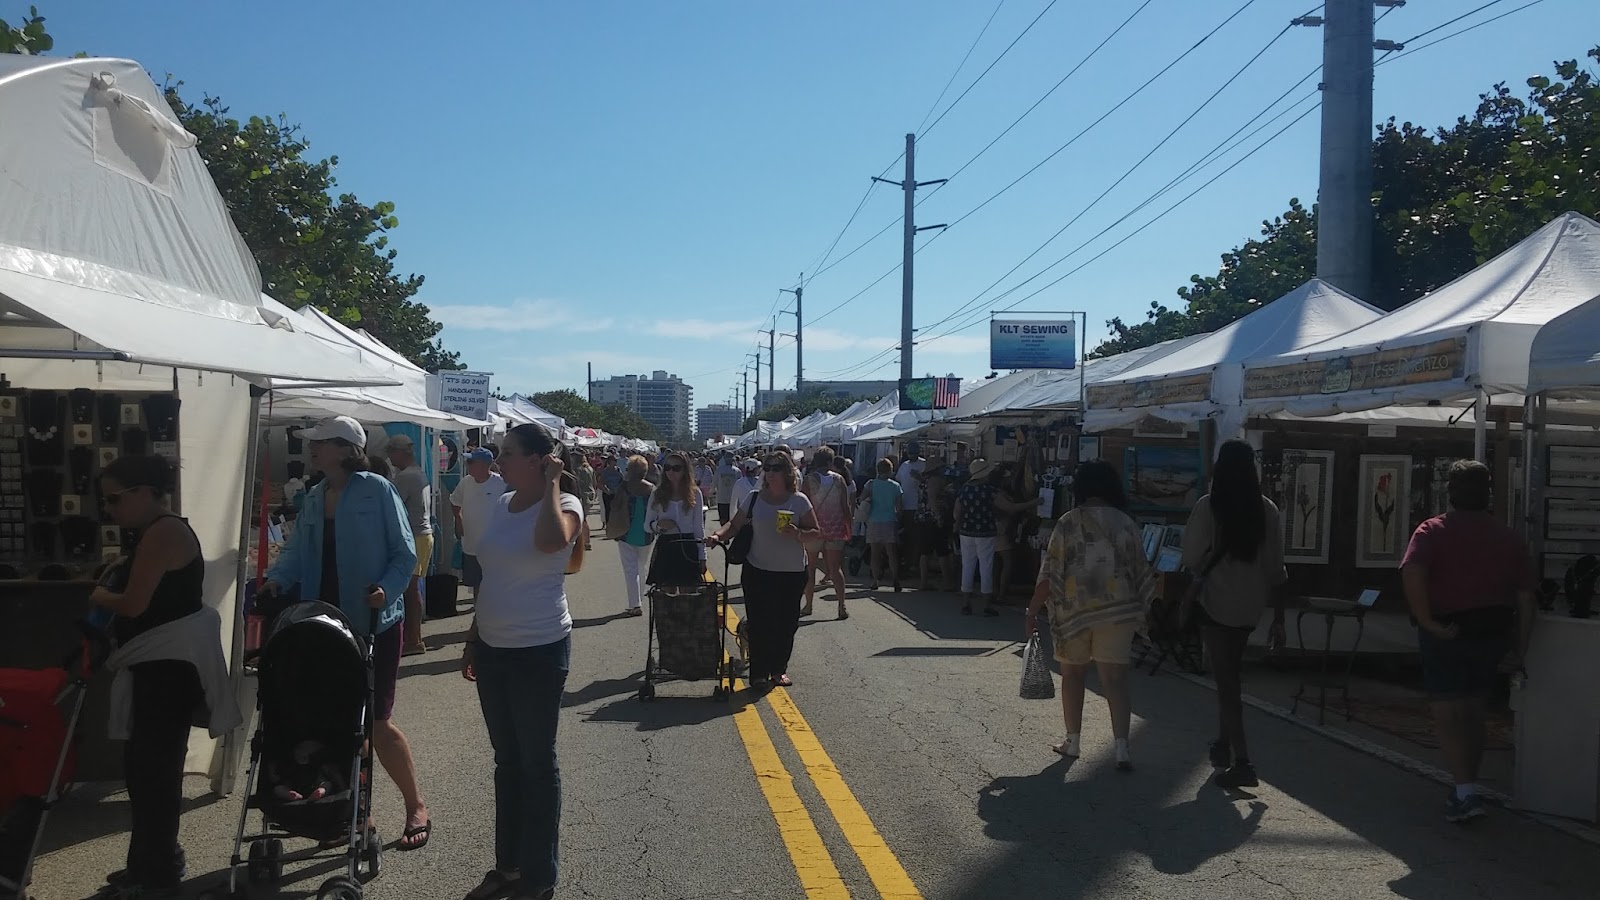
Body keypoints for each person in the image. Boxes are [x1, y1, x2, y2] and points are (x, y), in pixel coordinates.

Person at [263, 416, 431, 850]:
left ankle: (415, 805)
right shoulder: (315, 496)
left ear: (344, 448)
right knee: (339, 724)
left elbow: (404, 552)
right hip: (325, 626)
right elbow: (296, 551)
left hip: (374, 623)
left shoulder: (378, 490)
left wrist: (387, 589)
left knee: (377, 723)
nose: (312, 449)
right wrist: (276, 579)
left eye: (319, 443)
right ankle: (356, 812)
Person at [92, 456, 239, 899]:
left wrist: (99, 594)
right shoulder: (158, 531)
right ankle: (151, 862)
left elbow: (134, 605)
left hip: (166, 670)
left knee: (153, 772)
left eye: (115, 499)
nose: (110, 509)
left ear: (144, 492)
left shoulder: (163, 533)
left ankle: (155, 871)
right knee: (147, 771)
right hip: (161, 665)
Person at [460, 424, 585, 900]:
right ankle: (508, 866)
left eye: (508, 453)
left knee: (536, 762)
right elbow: (491, 577)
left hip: (538, 649)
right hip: (493, 648)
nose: (499, 460)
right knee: (507, 761)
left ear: (538, 460)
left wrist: (553, 482)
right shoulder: (501, 503)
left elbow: (553, 543)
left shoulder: (565, 504)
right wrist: (473, 637)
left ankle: (539, 875)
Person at [1401, 460, 1536, 823]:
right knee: (1475, 710)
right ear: (1487, 493)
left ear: (1451, 491)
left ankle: (1465, 793)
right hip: (1492, 630)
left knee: (1448, 710)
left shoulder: (1432, 530)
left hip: (1448, 630)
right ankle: (1467, 785)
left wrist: (1427, 621)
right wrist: (1519, 648)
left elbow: (1413, 572)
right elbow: (1526, 598)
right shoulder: (1508, 537)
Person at [1025, 460, 1155, 770]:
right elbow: (1141, 571)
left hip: (1074, 613)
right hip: (1118, 612)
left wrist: (1032, 610)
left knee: (1073, 675)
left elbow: (1050, 574)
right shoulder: (1126, 523)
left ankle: (1073, 741)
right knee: (1115, 679)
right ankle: (1122, 747)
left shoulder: (1068, 522)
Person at [1180, 439, 1288, 791]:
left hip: (1216, 601)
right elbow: (1276, 568)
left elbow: (1191, 556)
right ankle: (1223, 744)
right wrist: (1279, 618)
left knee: (1227, 683)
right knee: (1230, 673)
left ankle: (1243, 761)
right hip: (1250, 604)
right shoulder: (1267, 509)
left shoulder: (1209, 506)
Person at [708, 452, 819, 689]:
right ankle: (758, 673)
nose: (770, 473)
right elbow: (735, 525)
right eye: (767, 468)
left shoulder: (799, 501)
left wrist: (798, 533)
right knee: (759, 623)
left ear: (787, 472)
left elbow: (816, 533)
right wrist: (717, 536)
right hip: (757, 569)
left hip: (791, 573)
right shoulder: (754, 497)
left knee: (786, 624)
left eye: (776, 468)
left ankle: (778, 669)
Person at [386, 433, 433, 656]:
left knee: (410, 590)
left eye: (390, 452)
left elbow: (393, 506)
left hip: (414, 535)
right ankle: (414, 638)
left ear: (399, 452)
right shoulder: (419, 472)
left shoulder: (405, 477)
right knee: (413, 588)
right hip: (423, 534)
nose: (389, 458)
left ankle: (413, 640)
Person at [802, 446, 854, 619]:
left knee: (811, 568)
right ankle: (842, 606)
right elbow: (845, 506)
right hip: (835, 528)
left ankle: (808, 605)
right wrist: (849, 528)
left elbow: (803, 505)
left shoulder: (808, 480)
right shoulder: (839, 480)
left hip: (814, 529)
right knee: (835, 569)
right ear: (831, 462)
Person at [451, 447, 508, 598]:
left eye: (470, 462)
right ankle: (479, 610)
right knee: (476, 584)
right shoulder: (465, 482)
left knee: (494, 584)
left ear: (483, 465)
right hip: (471, 545)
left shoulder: (501, 483)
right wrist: (458, 519)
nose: (467, 465)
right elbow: (455, 501)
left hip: (495, 547)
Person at [646, 451, 707, 590]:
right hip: (666, 546)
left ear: (685, 470)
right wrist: (658, 525)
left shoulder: (695, 493)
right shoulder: (657, 494)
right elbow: (647, 526)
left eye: (676, 468)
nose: (671, 472)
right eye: (667, 468)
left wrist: (703, 556)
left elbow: (699, 527)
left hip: (688, 545)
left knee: (689, 593)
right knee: (666, 595)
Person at [605, 455, 655, 617]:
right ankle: (640, 598)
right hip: (647, 533)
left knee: (630, 570)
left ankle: (635, 604)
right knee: (642, 567)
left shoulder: (624, 487)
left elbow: (615, 504)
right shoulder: (652, 489)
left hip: (626, 532)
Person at [953, 459, 1004, 616]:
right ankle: (987, 604)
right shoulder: (990, 490)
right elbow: (1009, 507)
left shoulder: (964, 489)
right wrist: (1032, 503)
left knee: (968, 566)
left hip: (966, 531)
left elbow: (956, 513)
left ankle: (966, 603)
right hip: (985, 532)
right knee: (986, 567)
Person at [862, 458, 904, 592]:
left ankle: (875, 580)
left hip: (874, 520)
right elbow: (899, 507)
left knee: (875, 553)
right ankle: (896, 579)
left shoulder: (871, 484)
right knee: (892, 553)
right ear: (890, 470)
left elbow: (862, 499)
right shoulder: (896, 486)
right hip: (890, 520)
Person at [895, 443, 928, 588]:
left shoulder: (924, 464)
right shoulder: (904, 465)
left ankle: (915, 565)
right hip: (905, 505)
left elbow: (928, 482)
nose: (912, 455)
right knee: (906, 537)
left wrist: (920, 478)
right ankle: (908, 564)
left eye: (914, 453)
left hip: (918, 507)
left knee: (917, 538)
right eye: (910, 453)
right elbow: (898, 481)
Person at [569, 451, 596, 551]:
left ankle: (585, 541)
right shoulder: (589, 468)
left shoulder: (577, 469)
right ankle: (585, 541)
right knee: (583, 518)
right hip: (590, 493)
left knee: (582, 520)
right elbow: (594, 482)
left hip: (582, 495)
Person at [714, 453, 739, 524]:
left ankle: (723, 529)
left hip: (721, 498)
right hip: (733, 498)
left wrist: (712, 491)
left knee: (723, 518)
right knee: (732, 518)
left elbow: (714, 482)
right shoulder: (737, 471)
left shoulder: (719, 470)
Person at [598, 456, 623, 528]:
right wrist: (606, 490)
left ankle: (616, 525)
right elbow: (601, 482)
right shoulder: (605, 471)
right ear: (609, 462)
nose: (615, 462)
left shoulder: (618, 470)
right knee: (608, 510)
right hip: (608, 493)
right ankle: (608, 525)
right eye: (613, 460)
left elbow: (622, 480)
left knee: (617, 509)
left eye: (615, 460)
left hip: (617, 493)